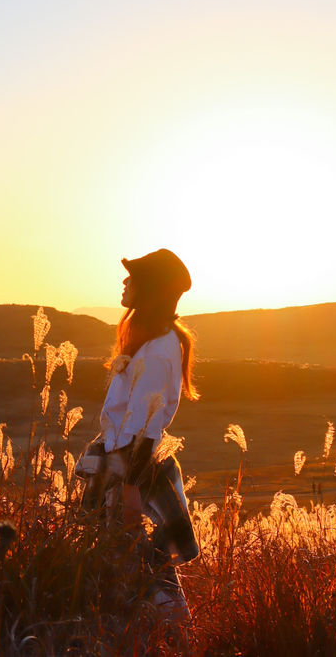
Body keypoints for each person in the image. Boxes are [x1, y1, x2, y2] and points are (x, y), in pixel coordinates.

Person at [76, 248, 199, 623]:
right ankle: (155, 634)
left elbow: (144, 426)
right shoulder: (147, 342)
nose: (125, 281)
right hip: (123, 466)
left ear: (152, 289)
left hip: (134, 470)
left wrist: (129, 489)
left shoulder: (160, 350)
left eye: (133, 277)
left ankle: (172, 636)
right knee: (134, 564)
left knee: (148, 565)